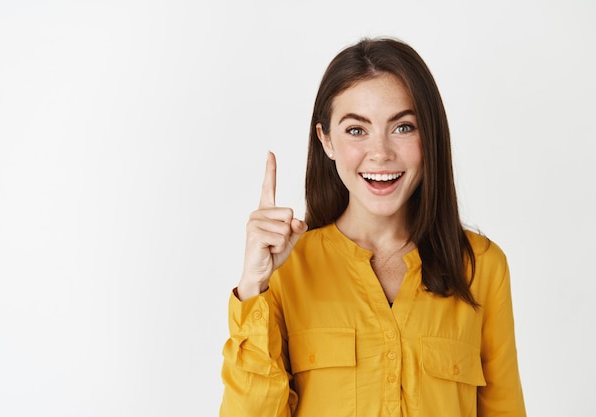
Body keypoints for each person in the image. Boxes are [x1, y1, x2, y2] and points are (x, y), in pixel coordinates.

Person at [219, 37, 526, 417]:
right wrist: (253, 287)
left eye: (403, 127)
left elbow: (504, 409)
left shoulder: (481, 266)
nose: (380, 153)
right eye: (356, 130)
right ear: (326, 140)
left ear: (430, 136)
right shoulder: (286, 270)